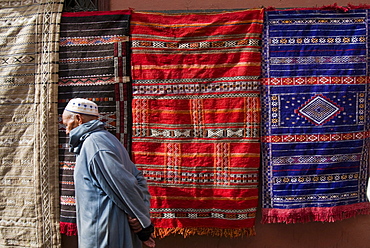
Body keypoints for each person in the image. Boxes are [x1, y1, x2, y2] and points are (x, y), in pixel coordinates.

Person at [62, 98, 155, 248]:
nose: (67, 131)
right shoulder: (108, 139)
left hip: (104, 233)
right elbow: (138, 178)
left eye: (67, 125)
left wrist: (142, 222)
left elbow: (125, 184)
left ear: (79, 119)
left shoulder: (95, 144)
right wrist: (142, 215)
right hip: (109, 228)